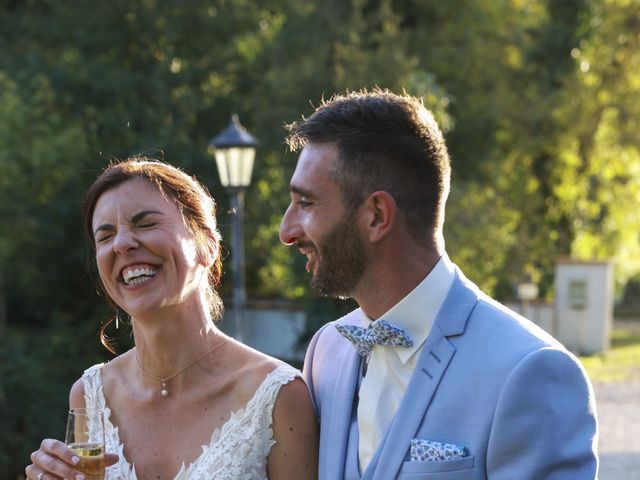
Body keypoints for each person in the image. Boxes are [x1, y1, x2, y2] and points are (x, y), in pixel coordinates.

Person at [279, 89, 598, 479]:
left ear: (377, 216)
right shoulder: (326, 353)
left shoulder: (529, 371)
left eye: (306, 203)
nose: (287, 231)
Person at [26, 157, 319, 480]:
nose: (123, 243)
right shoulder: (90, 396)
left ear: (207, 245)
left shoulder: (279, 396)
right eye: (105, 236)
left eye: (146, 224)